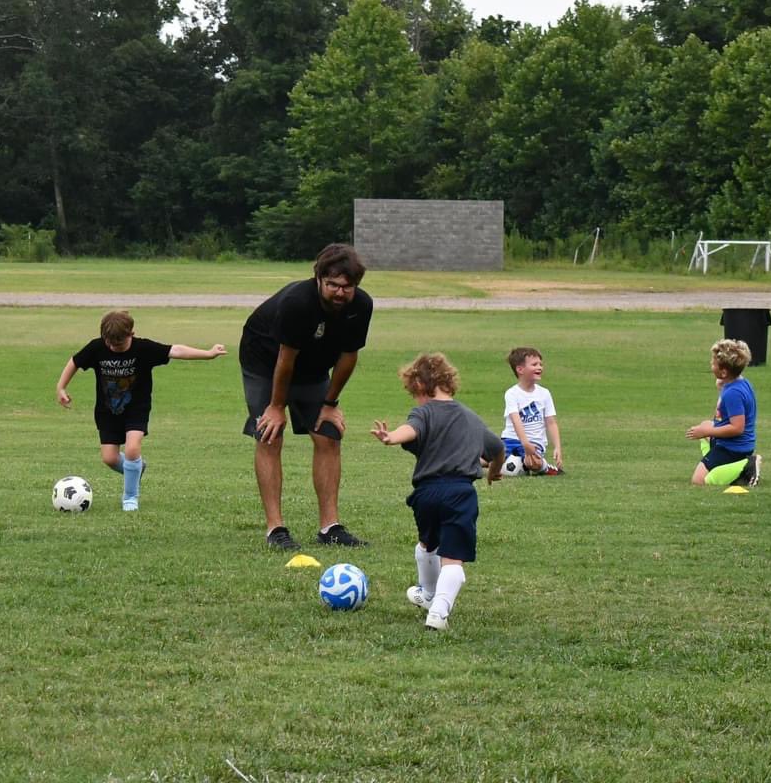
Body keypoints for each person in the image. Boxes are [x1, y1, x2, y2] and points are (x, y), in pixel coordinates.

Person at [239, 243, 373, 550]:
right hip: (265, 359)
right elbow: (285, 360)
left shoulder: (361, 306)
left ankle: (330, 528)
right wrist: (275, 407)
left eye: (347, 287)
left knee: (328, 435)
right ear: (319, 278)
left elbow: (348, 357)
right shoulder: (298, 302)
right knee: (270, 434)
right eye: (333, 285)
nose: (341, 293)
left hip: (314, 364)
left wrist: (330, 404)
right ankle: (276, 530)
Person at [371, 353, 504, 631]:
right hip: (459, 492)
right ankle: (438, 612)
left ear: (420, 385)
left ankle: (428, 594)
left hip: (426, 494)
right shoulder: (471, 418)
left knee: (427, 545)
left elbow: (412, 429)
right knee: (453, 557)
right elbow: (496, 449)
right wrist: (493, 471)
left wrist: (391, 437)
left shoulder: (424, 412)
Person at [56, 310, 226, 511]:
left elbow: (176, 350)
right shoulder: (97, 347)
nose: (113, 348)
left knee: (132, 449)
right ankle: (135, 467)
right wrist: (61, 387)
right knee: (109, 458)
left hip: (136, 408)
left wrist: (208, 353)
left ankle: (130, 498)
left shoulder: (143, 348)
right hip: (107, 411)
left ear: (131, 334)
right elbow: (75, 362)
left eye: (118, 344)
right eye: (109, 343)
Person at [685, 339, 762, 486]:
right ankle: (731, 470)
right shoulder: (739, 383)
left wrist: (707, 431)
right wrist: (722, 386)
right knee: (705, 426)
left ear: (724, 372)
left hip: (733, 448)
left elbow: (737, 428)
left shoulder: (733, 392)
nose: (710, 365)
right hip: (736, 444)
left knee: (698, 480)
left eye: (713, 363)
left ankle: (747, 465)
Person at [499, 347, 563, 475]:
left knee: (532, 463)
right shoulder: (512, 393)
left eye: (540, 364)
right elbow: (516, 421)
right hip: (510, 439)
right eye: (534, 364)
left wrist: (557, 447)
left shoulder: (544, 393)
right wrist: (524, 443)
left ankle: (545, 467)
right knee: (488, 458)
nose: (539, 367)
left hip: (534, 442)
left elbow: (551, 422)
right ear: (520, 369)